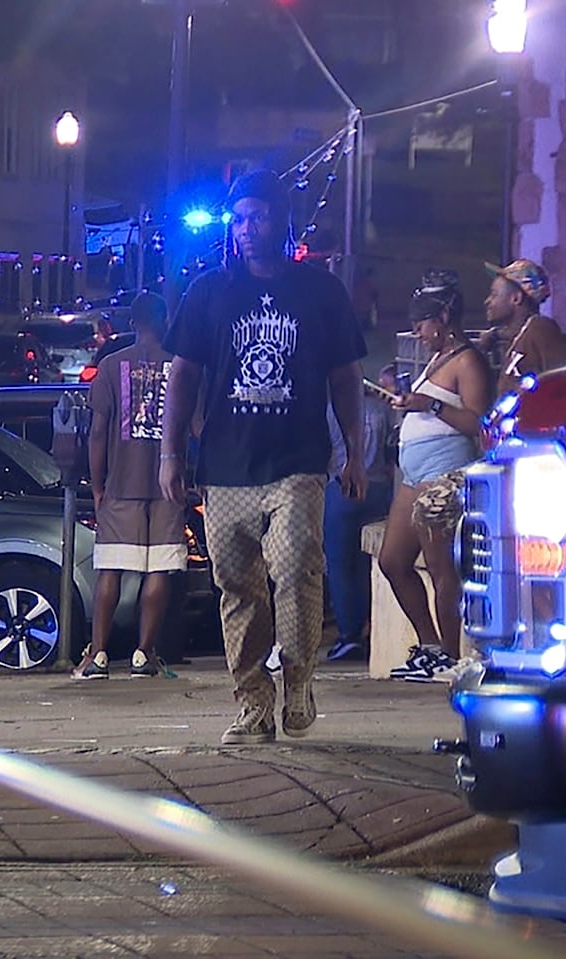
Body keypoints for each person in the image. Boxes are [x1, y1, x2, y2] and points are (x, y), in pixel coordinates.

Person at [160, 169, 367, 746]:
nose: (247, 229)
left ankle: (298, 679)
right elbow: (183, 376)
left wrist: (354, 449)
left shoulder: (320, 291)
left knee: (298, 564)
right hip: (225, 466)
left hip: (299, 461)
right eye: (239, 219)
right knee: (238, 587)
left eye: (258, 216)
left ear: (283, 219)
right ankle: (253, 703)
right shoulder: (208, 291)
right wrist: (170, 450)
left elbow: (346, 375)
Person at [380, 273, 492, 683]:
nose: (417, 332)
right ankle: (428, 645)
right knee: (393, 561)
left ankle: (449, 653)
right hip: (413, 475)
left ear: (444, 317)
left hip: (445, 474)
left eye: (423, 324)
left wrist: (429, 406)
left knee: (442, 568)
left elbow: (482, 425)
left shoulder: (467, 361)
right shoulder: (437, 358)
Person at [74, 292, 184, 680]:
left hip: (121, 483)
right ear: (166, 319)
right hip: (169, 485)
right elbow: (198, 426)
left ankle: (99, 655)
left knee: (112, 570)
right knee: (159, 570)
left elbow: (98, 431)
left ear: (133, 322)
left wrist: (98, 483)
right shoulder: (181, 364)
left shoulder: (110, 366)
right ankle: (143, 653)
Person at [321, 372, 394, 663]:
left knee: (341, 567)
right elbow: (391, 453)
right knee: (369, 565)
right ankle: (371, 628)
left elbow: (324, 451)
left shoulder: (329, 410)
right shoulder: (381, 410)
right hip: (378, 490)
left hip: (342, 488)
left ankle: (349, 635)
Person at [479, 258, 566, 394]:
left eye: (494, 294)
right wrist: (495, 334)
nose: (487, 301)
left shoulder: (541, 329)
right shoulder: (526, 333)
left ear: (516, 299)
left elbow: (560, 387)